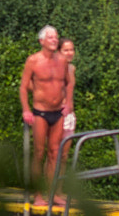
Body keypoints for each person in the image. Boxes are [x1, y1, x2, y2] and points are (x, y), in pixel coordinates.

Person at [18, 25, 73, 204]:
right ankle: (38, 194)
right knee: (39, 152)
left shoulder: (62, 61)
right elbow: (23, 86)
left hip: (58, 111)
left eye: (56, 37)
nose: (54, 40)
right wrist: (26, 109)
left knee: (55, 153)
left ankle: (53, 193)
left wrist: (69, 103)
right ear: (41, 41)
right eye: (50, 37)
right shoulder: (33, 61)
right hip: (41, 112)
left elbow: (68, 82)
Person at [58, 38, 78, 138]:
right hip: (57, 115)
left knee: (65, 153)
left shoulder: (71, 68)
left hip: (69, 115)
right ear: (58, 52)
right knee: (54, 151)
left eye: (71, 50)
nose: (70, 53)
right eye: (66, 50)